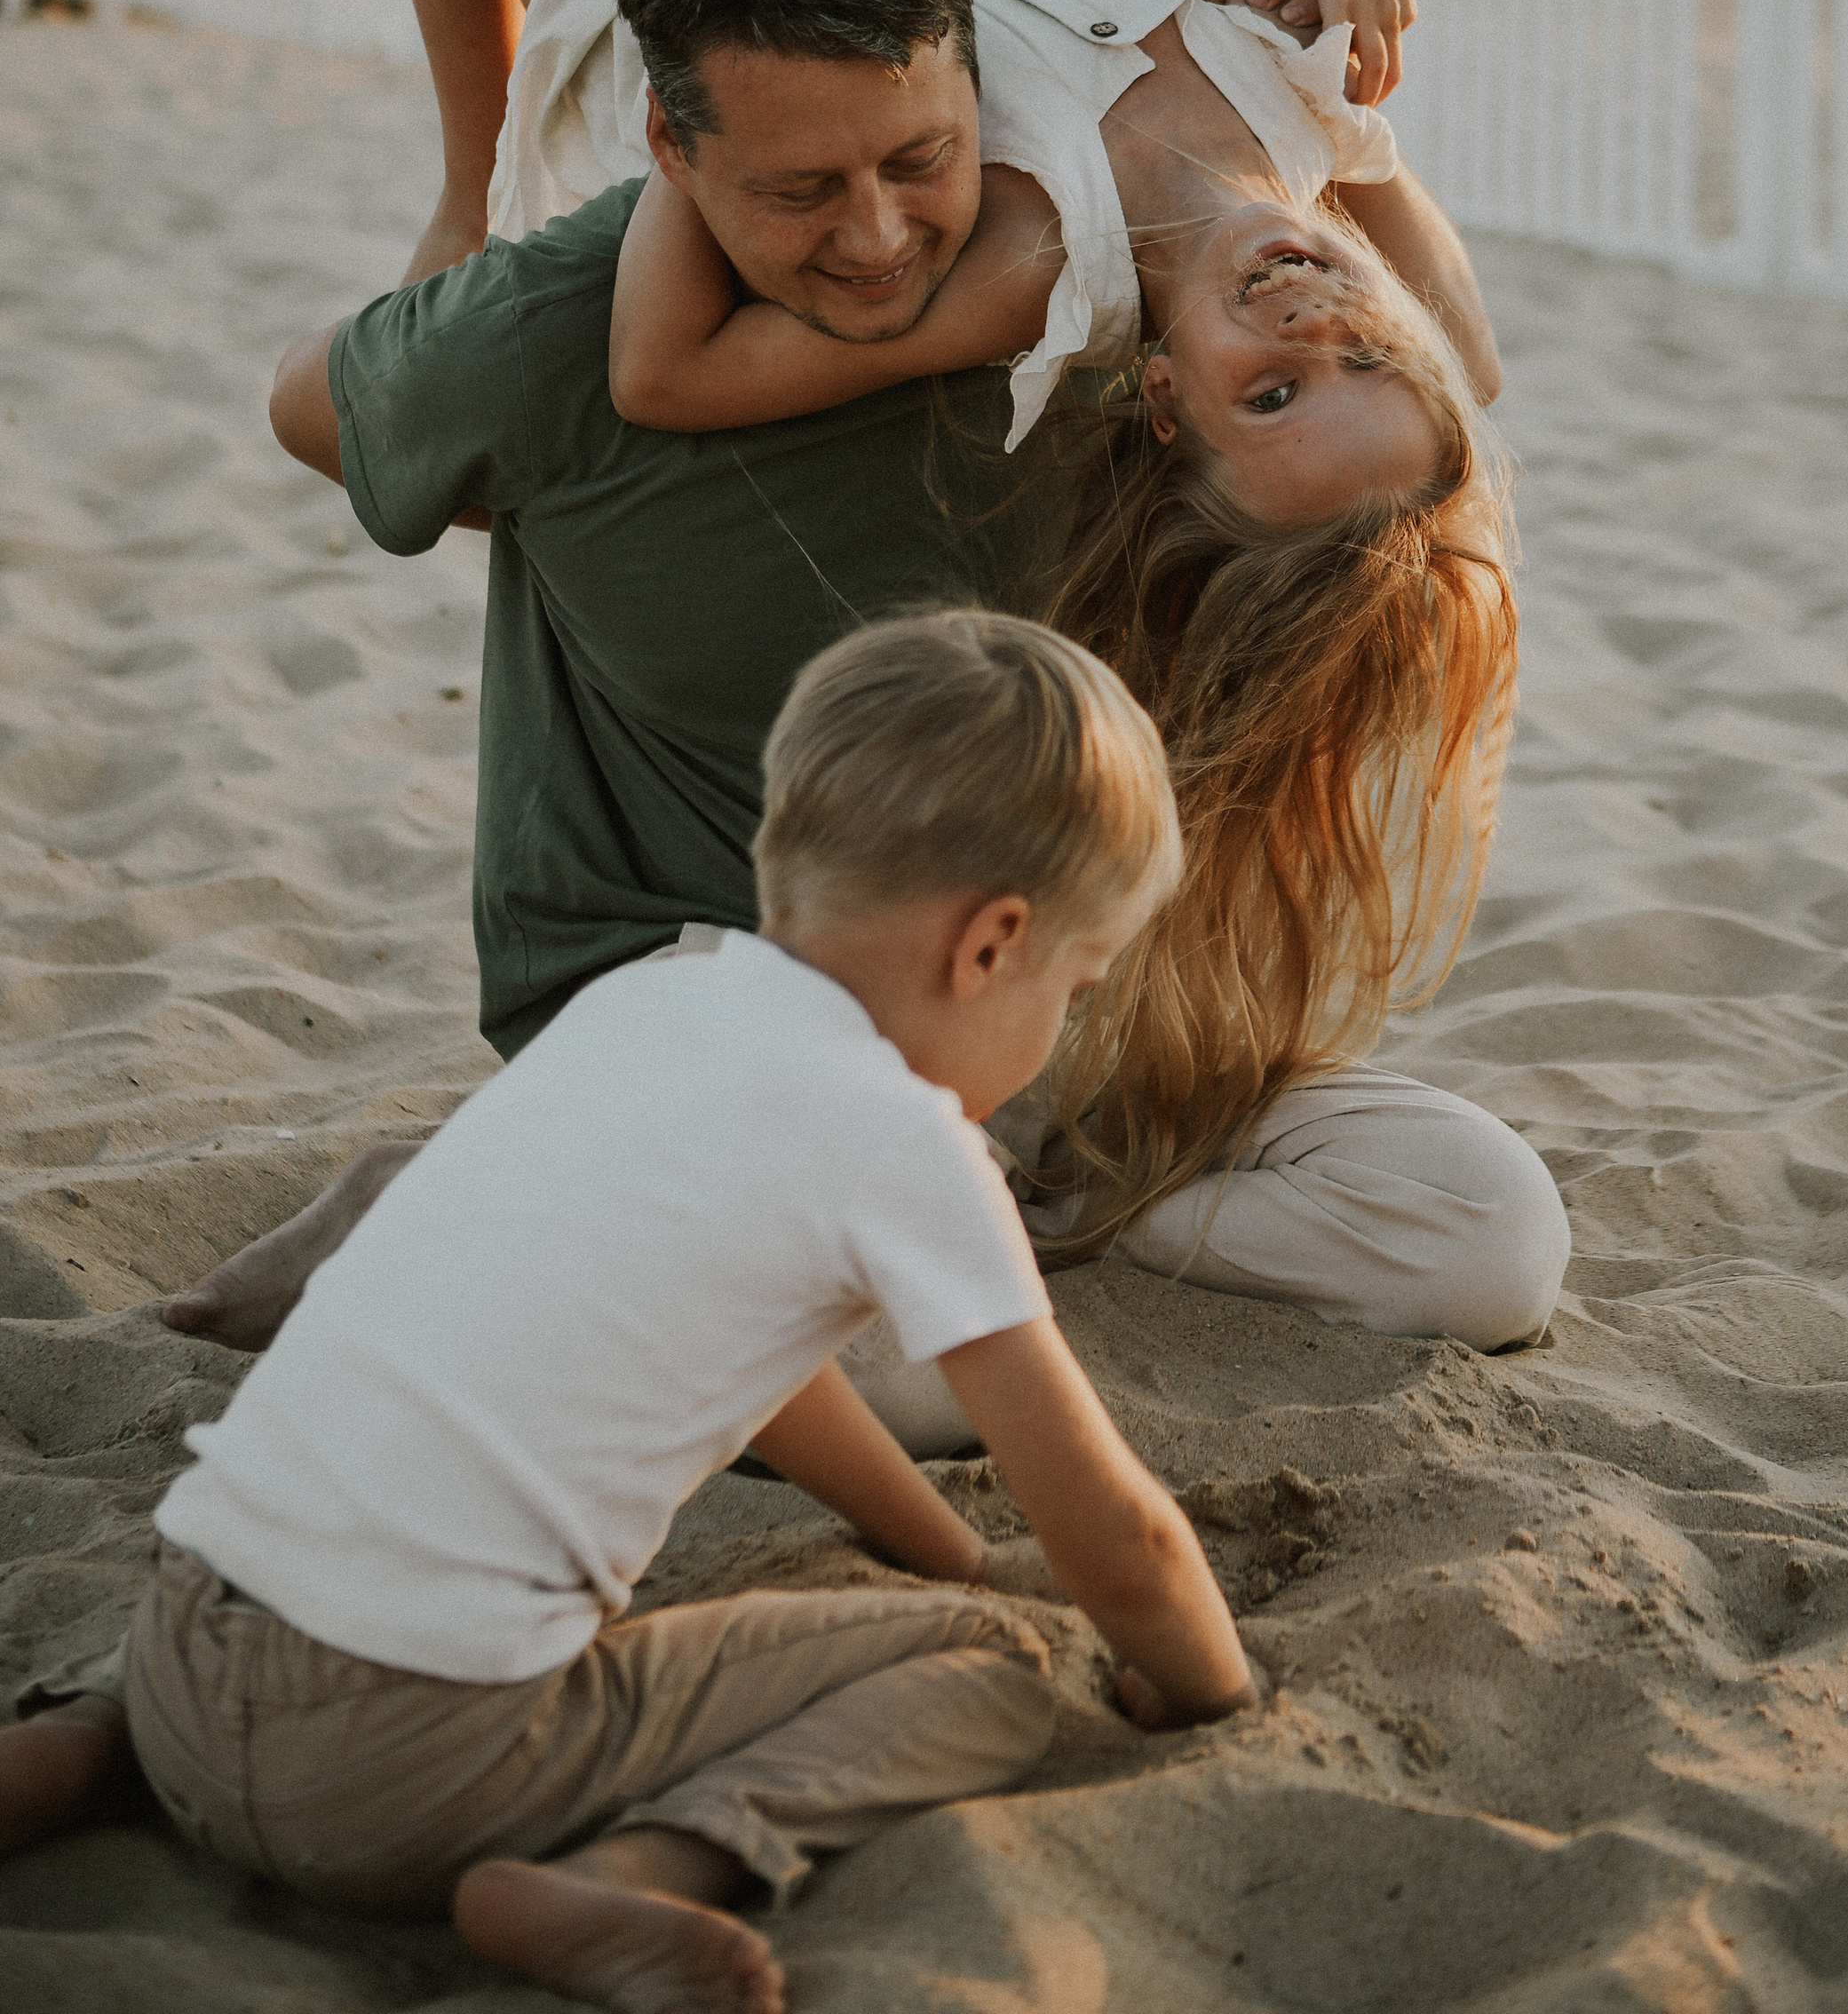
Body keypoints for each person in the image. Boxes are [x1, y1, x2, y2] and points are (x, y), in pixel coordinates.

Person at [167, 0, 1567, 1384]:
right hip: (734, 1000)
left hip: (996, 1028)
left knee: (1491, 1237)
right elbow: (601, 377)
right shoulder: (800, 227)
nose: (878, 242)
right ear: (684, 153)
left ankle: (1003, 1209)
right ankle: (744, 1228)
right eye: (805, 192)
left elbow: (1407, 387)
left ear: (1160, 408)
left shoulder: (1040, 279)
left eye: (1275, 393)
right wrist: (469, 194)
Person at [5, 617, 1253, 2014]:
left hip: (178, 1658)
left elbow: (765, 1377)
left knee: (303, 1542)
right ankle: (643, 1872)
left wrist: (945, 1545)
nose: (1060, 1029)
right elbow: (1123, 1536)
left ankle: (70, 1752)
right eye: (1075, 992)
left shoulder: (637, 1005)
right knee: (1000, 1663)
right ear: (994, 943)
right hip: (400, 1785)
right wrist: (1220, 1701)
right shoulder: (903, 1139)